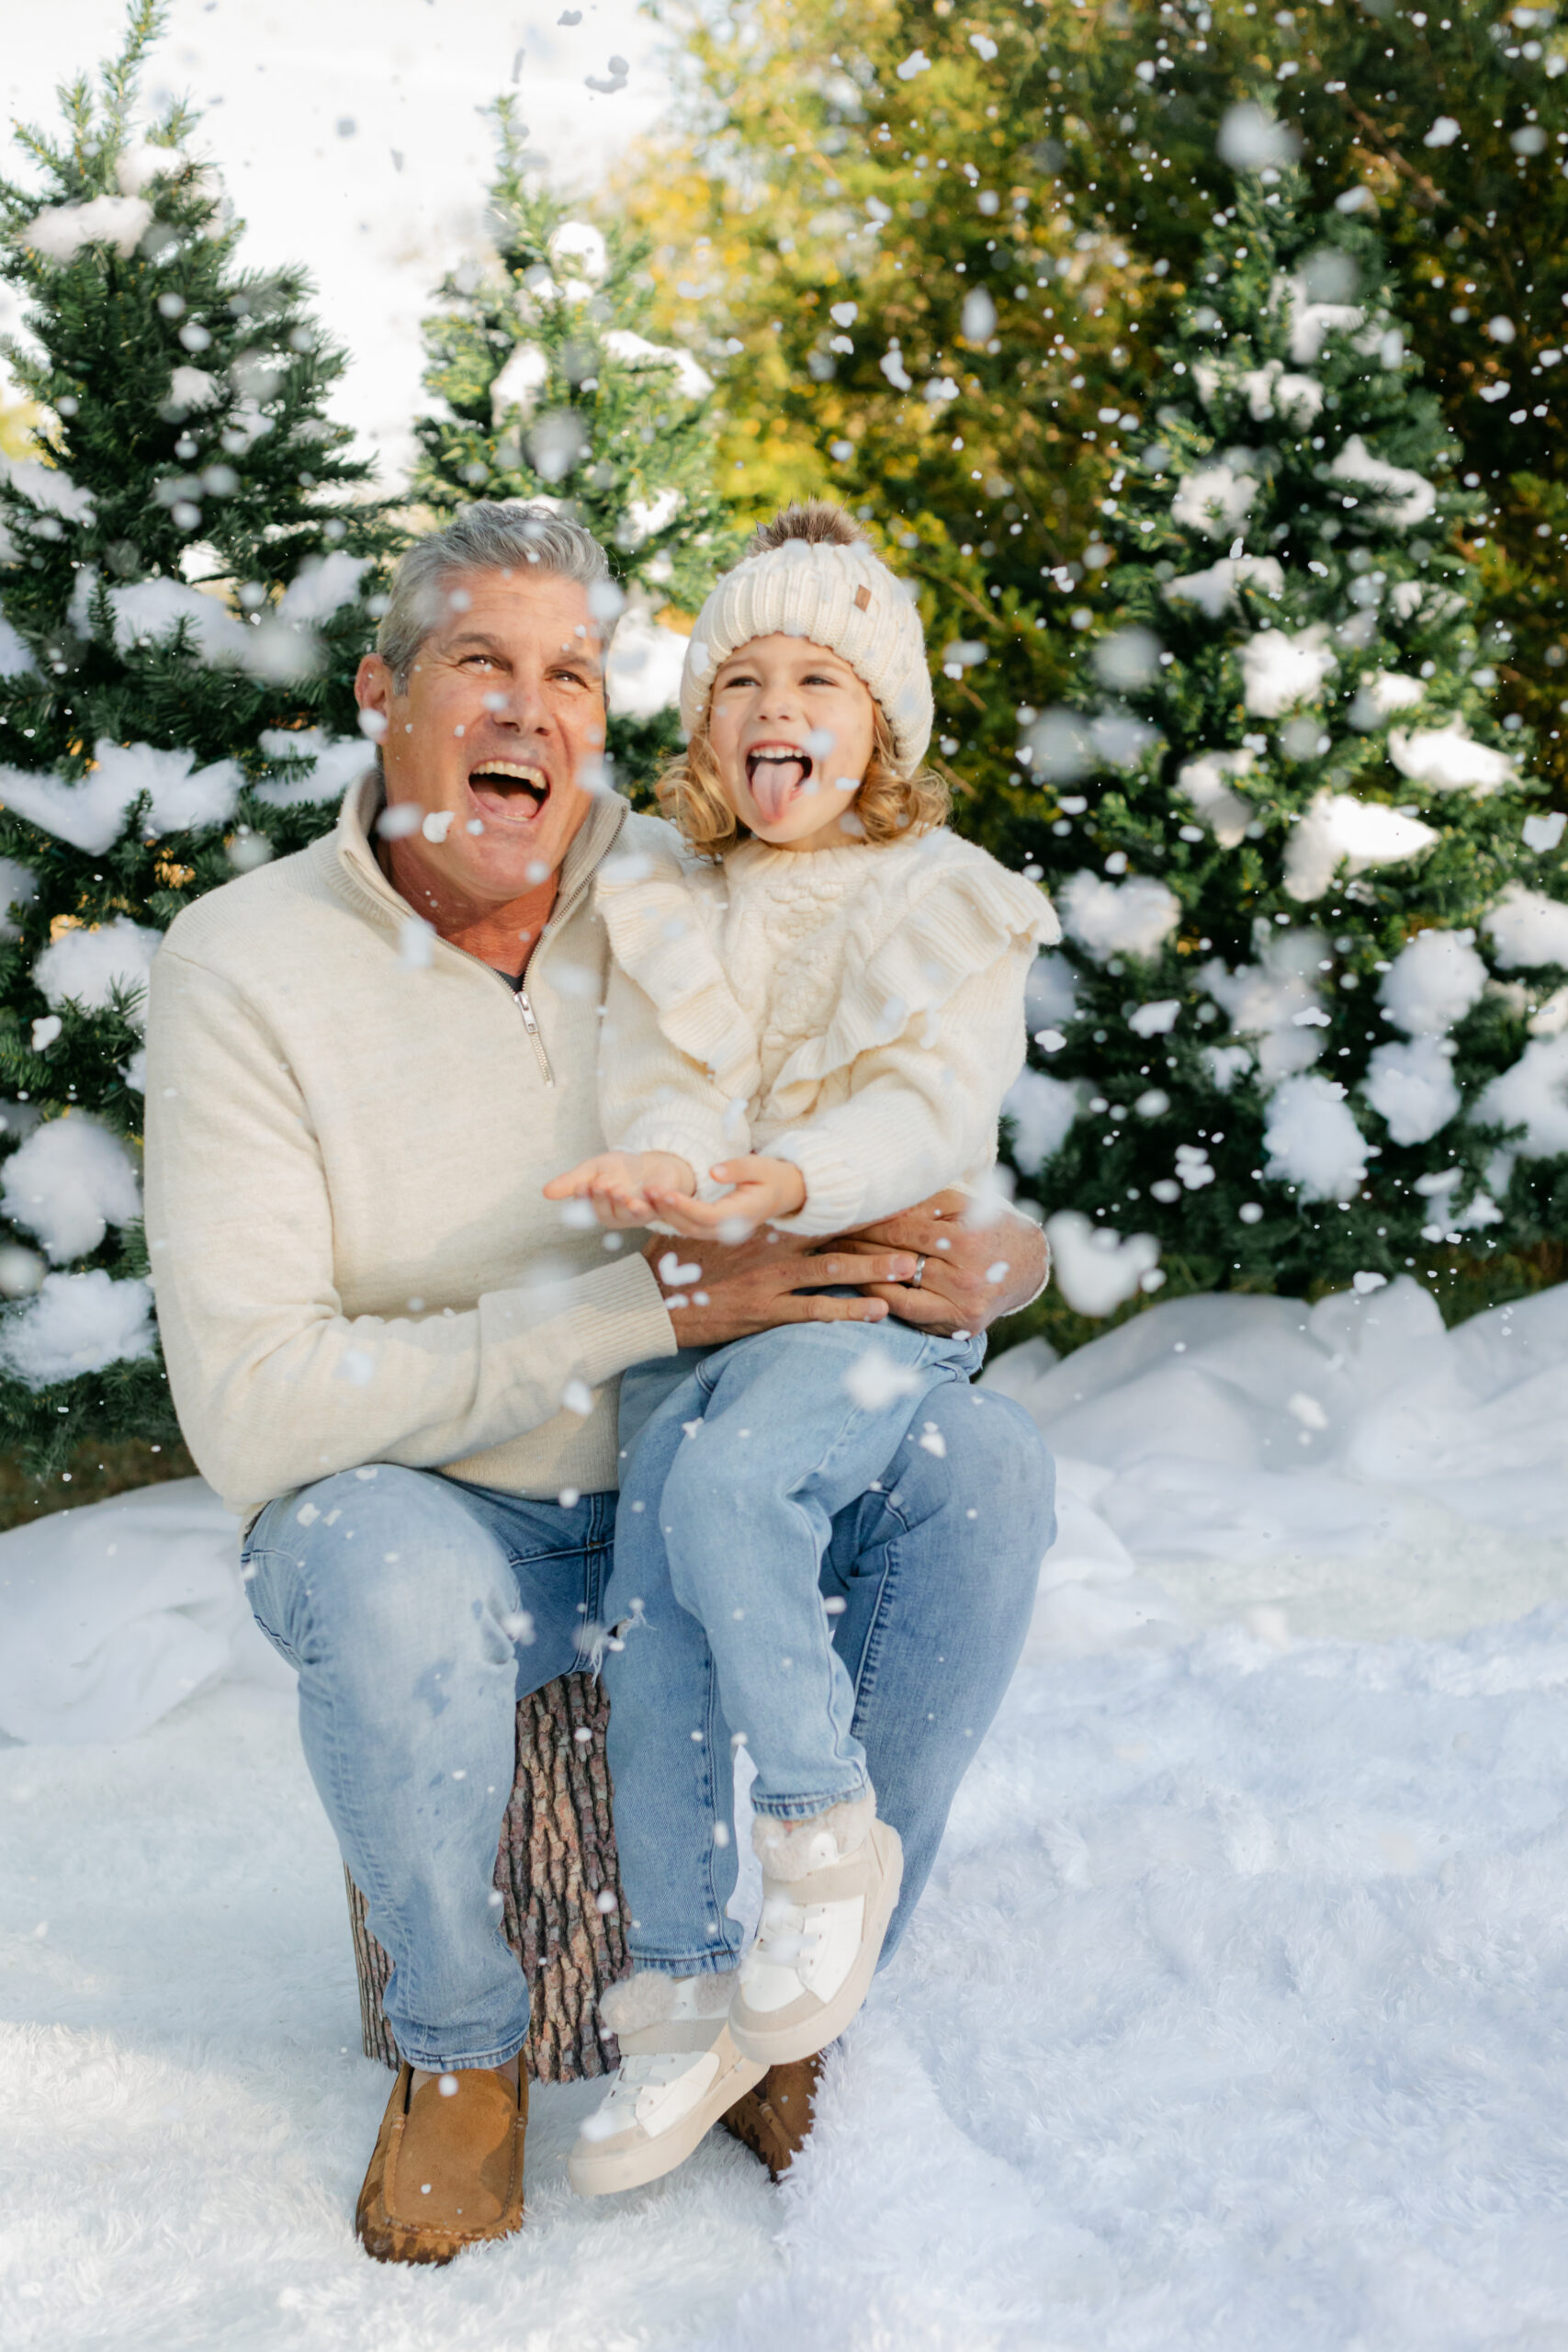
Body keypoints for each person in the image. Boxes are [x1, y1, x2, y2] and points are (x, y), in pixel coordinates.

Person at [141, 502, 1055, 2267]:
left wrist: (994, 1258)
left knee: (979, 1467)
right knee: (367, 1559)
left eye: (572, 673)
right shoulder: (245, 966)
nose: (530, 714)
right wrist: (654, 1309)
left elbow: (907, 1099)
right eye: (479, 662)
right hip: (445, 1507)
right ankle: (463, 2053)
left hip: (694, 1476)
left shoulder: (694, 875)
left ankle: (806, 1998)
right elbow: (252, 1409)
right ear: (382, 694)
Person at [547, 504, 1056, 2198]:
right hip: (713, 1296)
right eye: (741, 679)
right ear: (702, 727)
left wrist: (790, 1184)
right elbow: (662, 1075)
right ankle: (686, 1981)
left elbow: (930, 1105)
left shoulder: (944, 900)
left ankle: (825, 1843)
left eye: (821, 679)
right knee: (649, 1600)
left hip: (861, 1304)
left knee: (739, 1492)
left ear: (883, 722)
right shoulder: (667, 898)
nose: (780, 707)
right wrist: (679, 1176)